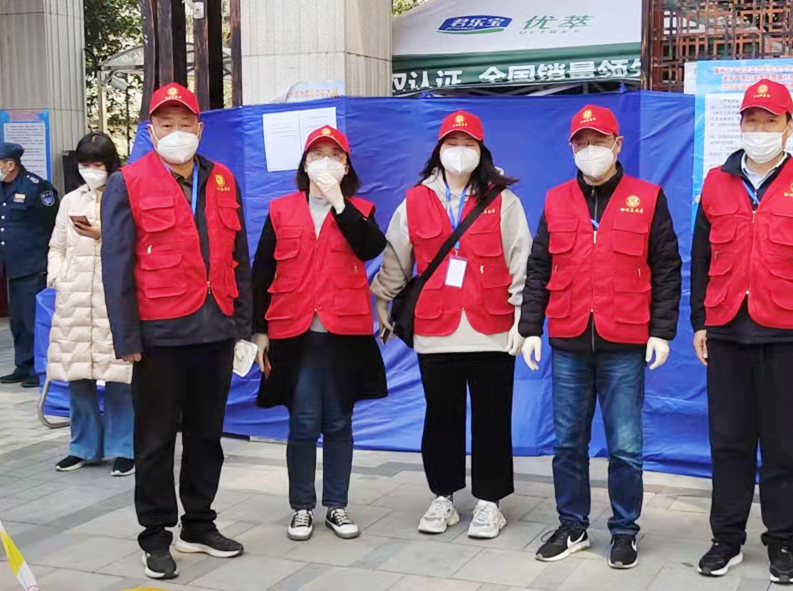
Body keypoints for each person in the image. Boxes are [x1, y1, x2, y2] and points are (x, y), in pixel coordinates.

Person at [690, 79, 793, 585]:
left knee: (781, 447)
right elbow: (701, 257)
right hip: (728, 333)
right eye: (751, 120)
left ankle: (781, 541)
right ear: (740, 124)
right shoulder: (716, 182)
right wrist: (700, 321)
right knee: (728, 443)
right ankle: (726, 539)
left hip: (788, 336)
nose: (759, 129)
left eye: (770, 120)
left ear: (789, 126)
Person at [518, 105, 682, 569]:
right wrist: (530, 328)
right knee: (568, 444)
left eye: (599, 140)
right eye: (582, 142)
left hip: (625, 341)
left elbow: (667, 268)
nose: (591, 149)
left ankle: (624, 530)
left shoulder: (646, 198)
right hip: (569, 338)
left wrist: (662, 331)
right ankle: (572, 526)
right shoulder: (556, 200)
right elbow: (539, 267)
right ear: (571, 147)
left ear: (617, 144)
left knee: (625, 448)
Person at [103, 82, 251, 581]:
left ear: (200, 129)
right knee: (156, 439)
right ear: (150, 131)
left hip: (216, 328)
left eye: (185, 123)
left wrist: (243, 327)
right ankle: (155, 535)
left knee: (208, 436)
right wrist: (127, 338)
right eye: (166, 124)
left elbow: (238, 258)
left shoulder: (222, 179)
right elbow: (116, 265)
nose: (176, 132)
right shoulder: (128, 181)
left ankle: (199, 524)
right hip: (159, 334)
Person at [371, 110, 531, 541]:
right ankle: (442, 495)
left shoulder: (503, 201)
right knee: (440, 417)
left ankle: (489, 501)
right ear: (439, 150)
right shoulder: (415, 201)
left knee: (492, 418)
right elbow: (396, 256)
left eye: (468, 145)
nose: (460, 152)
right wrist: (383, 297)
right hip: (435, 328)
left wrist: (523, 318)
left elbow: (522, 258)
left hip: (492, 328)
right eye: (452, 144)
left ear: (481, 151)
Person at [251, 126, 389, 542]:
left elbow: (370, 248)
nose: (325, 162)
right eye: (317, 154)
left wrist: (339, 203)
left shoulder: (360, 209)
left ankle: (337, 505)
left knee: (339, 421)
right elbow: (261, 273)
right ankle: (301, 507)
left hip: (344, 331)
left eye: (335, 155)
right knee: (304, 420)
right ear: (305, 164)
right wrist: (258, 331)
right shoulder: (280, 210)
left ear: (346, 166)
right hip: (294, 332)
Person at [47, 132, 135, 477]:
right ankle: (82, 447)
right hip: (74, 299)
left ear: (111, 165)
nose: (91, 170)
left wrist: (104, 235)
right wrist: (58, 277)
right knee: (77, 375)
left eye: (97, 164)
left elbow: (137, 242)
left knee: (119, 377)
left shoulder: (127, 195)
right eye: (85, 164)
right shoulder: (70, 200)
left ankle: (124, 447)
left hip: (115, 300)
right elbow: (57, 246)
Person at [0, 141, 59, 388]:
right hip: (12, 264)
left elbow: (52, 225)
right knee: (18, 320)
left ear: (10, 164)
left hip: (33, 264)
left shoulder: (37, 187)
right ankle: (23, 364)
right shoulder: (1, 186)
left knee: (32, 320)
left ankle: (39, 368)